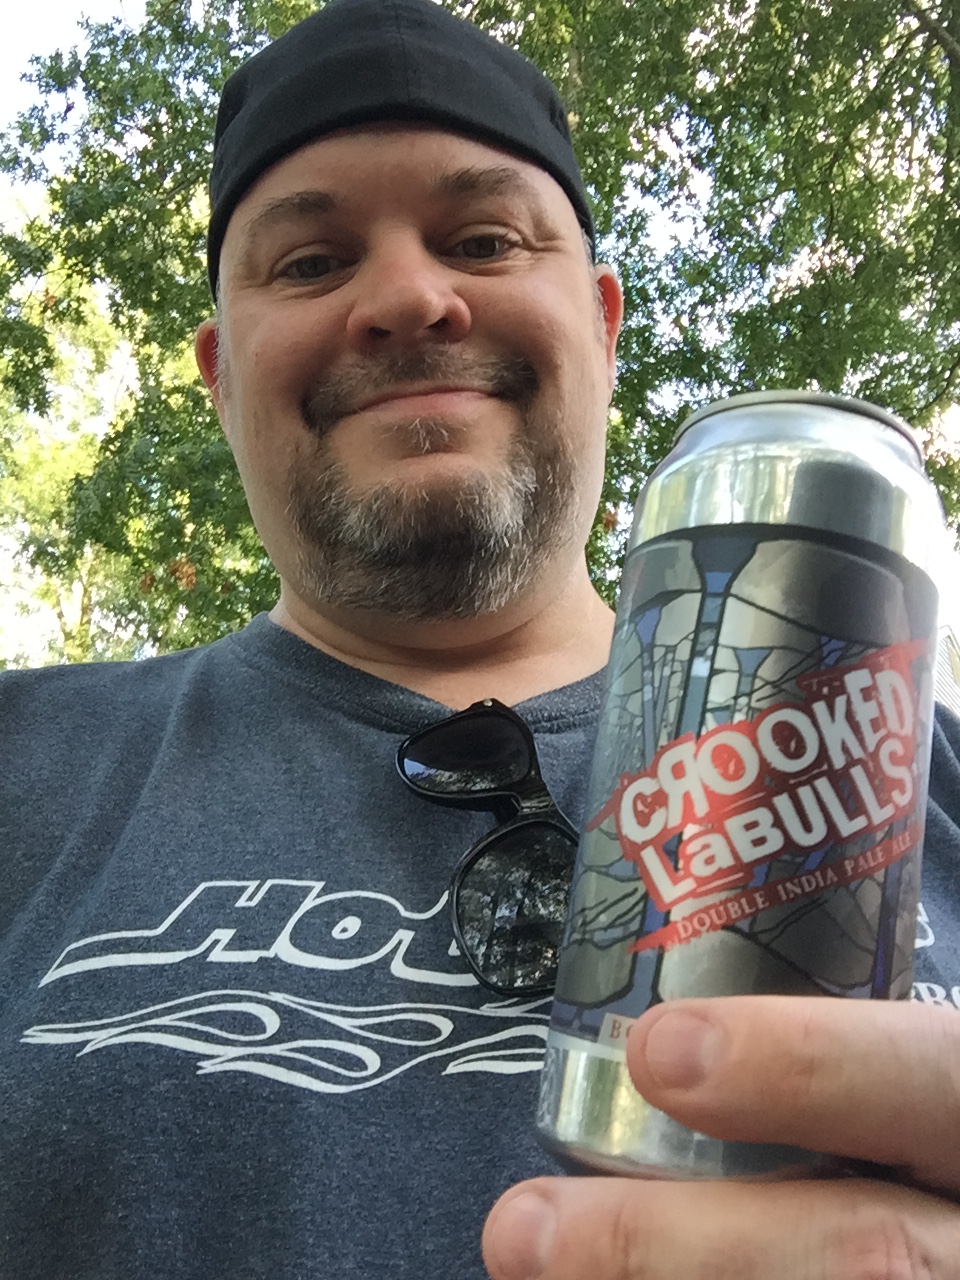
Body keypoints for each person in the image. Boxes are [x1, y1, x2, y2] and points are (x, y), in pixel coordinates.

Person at [1, 1, 960, 1277]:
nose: (409, 297)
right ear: (220, 373)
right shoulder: (22, 764)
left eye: (484, 239)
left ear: (605, 325)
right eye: (311, 261)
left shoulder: (939, 775)